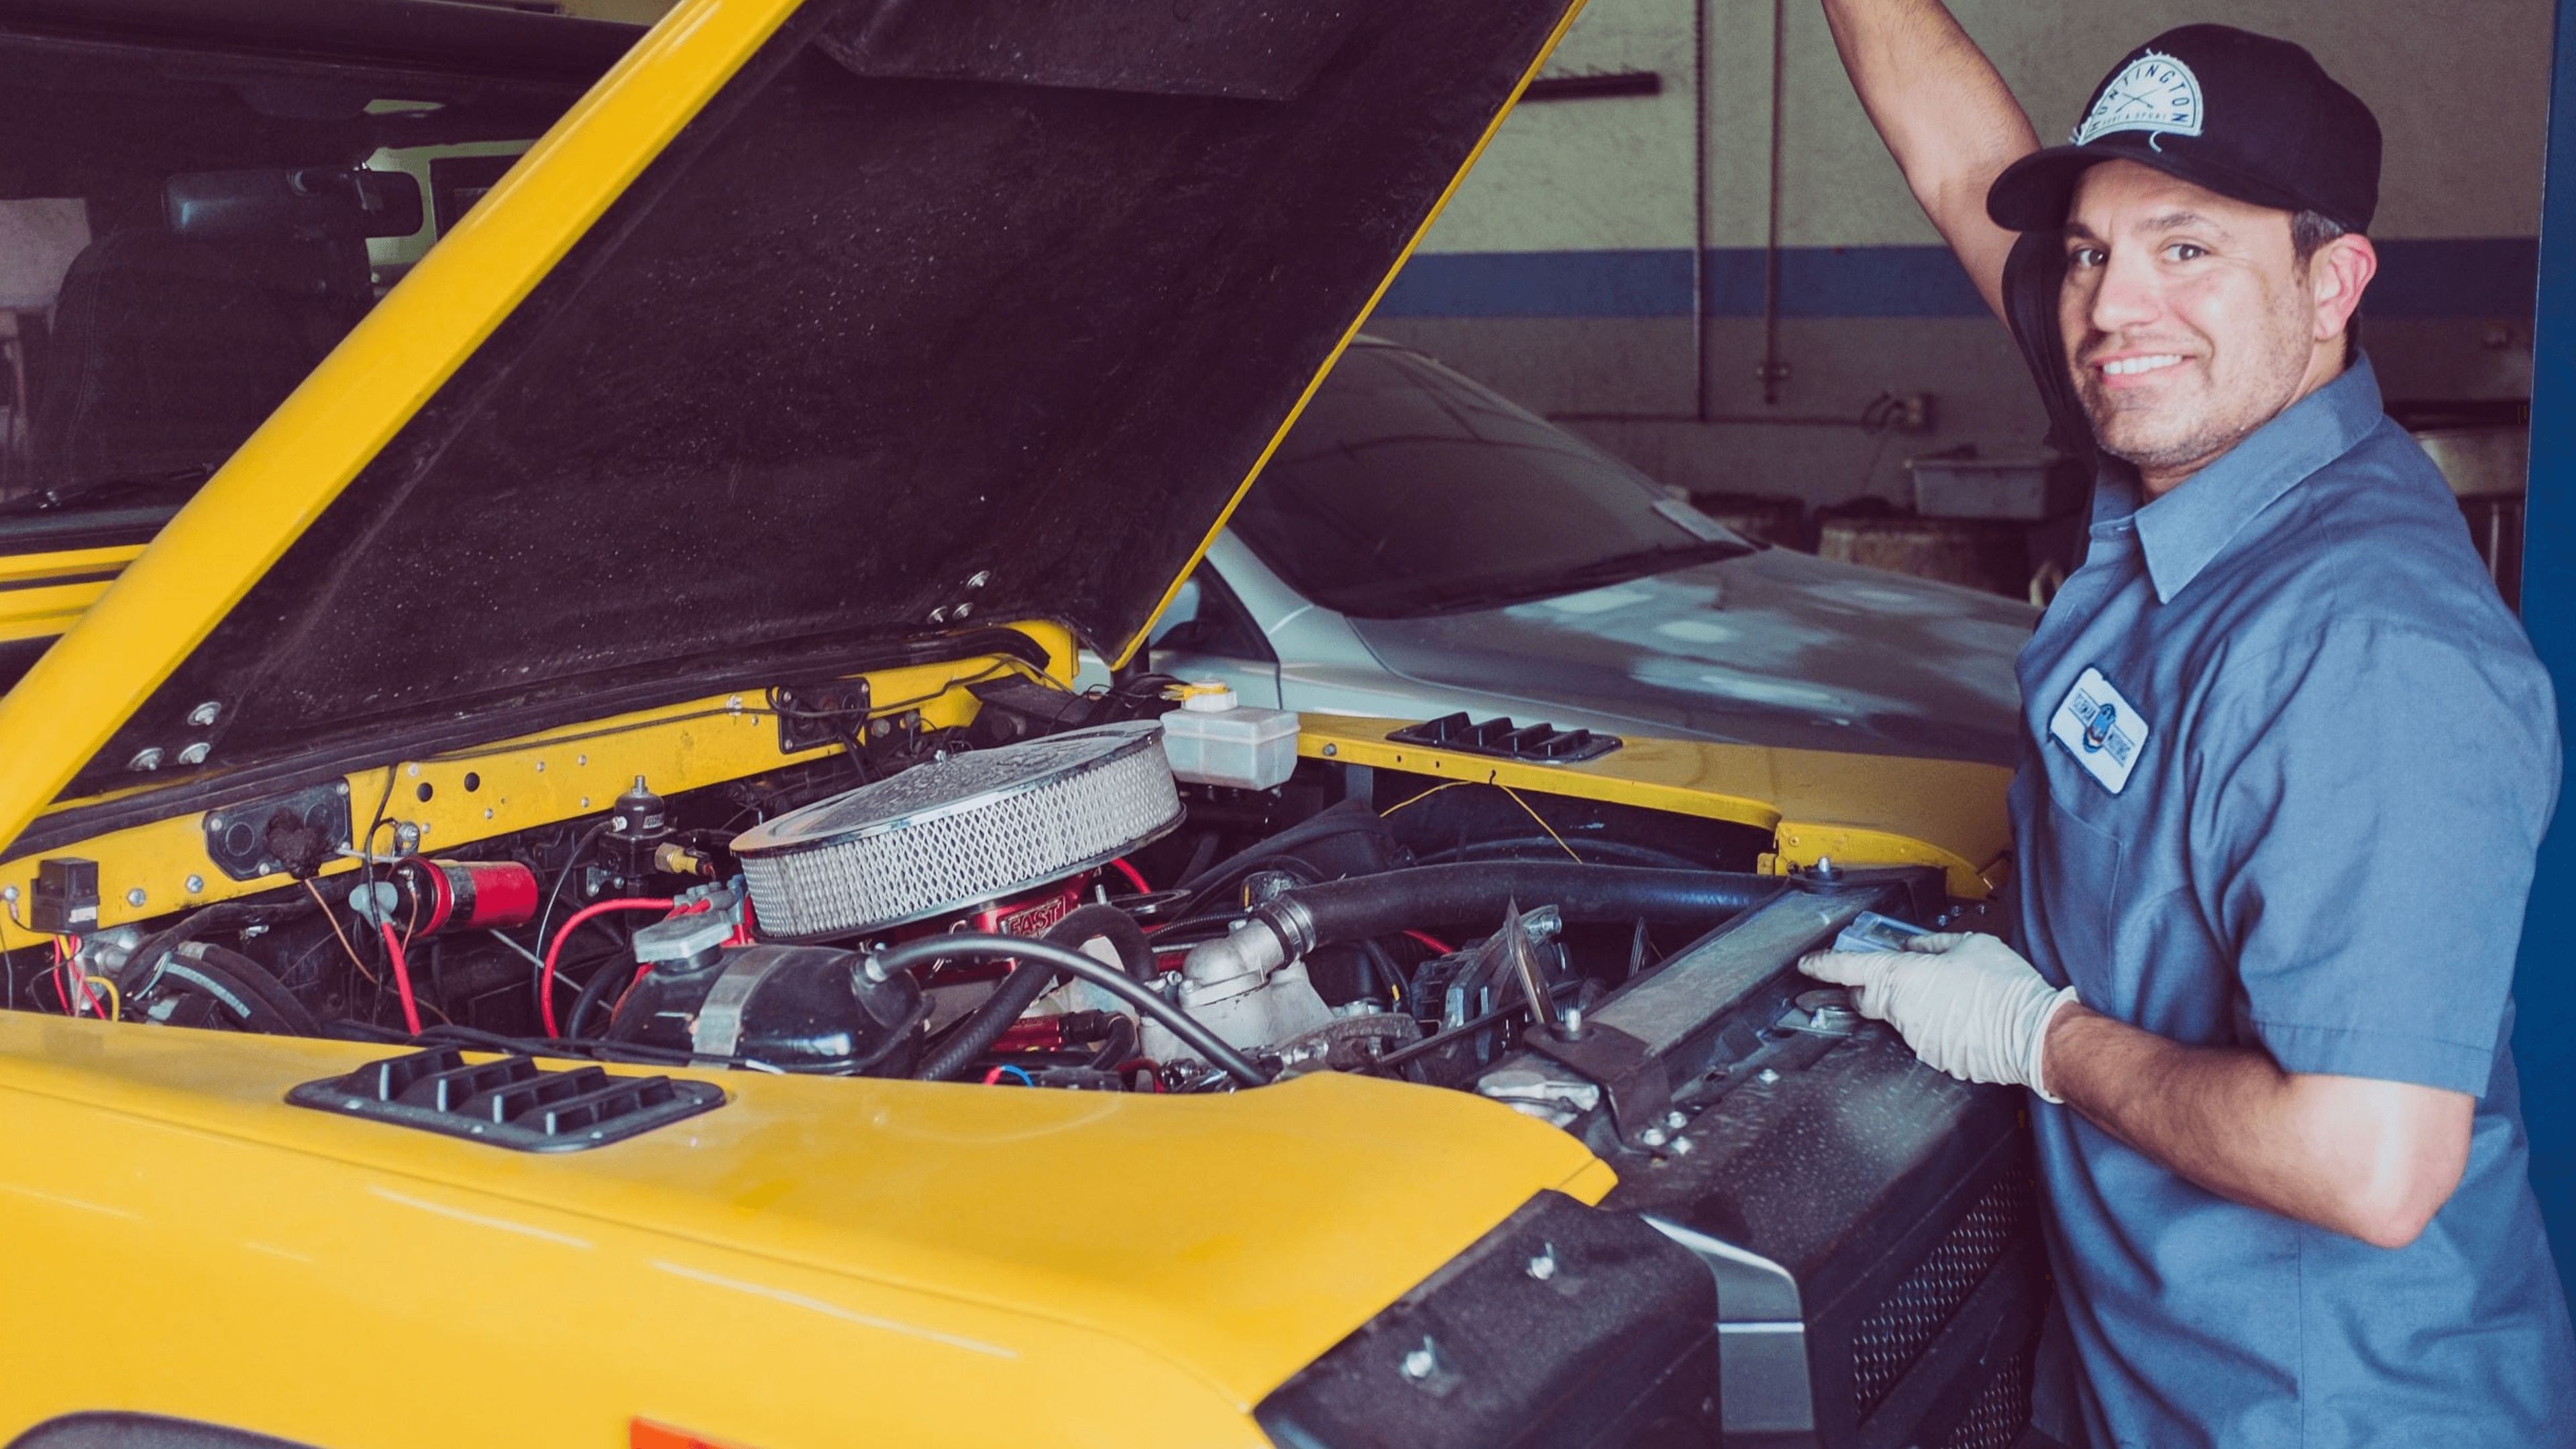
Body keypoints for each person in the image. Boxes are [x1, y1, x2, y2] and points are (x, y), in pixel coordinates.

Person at [1796, 9, 2576, 1446]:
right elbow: (1961, 158)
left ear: (2332, 280)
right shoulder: (2190, 449)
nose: (2110, 309)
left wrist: (2036, 1037)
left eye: (2189, 246)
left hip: (2323, 1416)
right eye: (2092, 251)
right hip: (2145, 1389)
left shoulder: (2370, 649)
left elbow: (2373, 1166)